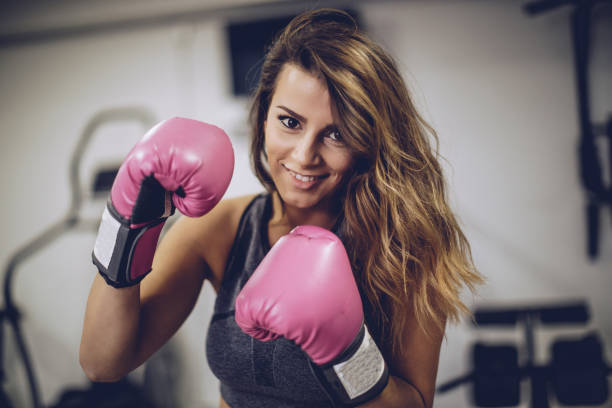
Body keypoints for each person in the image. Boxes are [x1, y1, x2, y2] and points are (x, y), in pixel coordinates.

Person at [80, 8, 482, 408]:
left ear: (370, 141)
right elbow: (103, 363)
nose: (305, 155)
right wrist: (126, 223)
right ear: (264, 117)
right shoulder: (221, 229)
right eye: (290, 122)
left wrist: (349, 355)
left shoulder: (402, 246)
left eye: (337, 134)